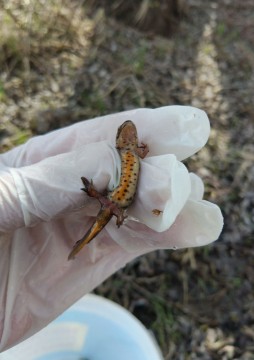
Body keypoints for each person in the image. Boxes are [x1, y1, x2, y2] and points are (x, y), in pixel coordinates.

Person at [0, 105, 223, 351]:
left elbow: (145, 151)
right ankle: (90, 213)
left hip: (116, 203)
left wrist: (142, 152)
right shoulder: (122, 152)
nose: (129, 137)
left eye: (132, 136)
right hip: (114, 203)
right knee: (104, 207)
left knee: (111, 208)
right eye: (125, 135)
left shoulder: (133, 151)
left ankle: (90, 224)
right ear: (118, 141)